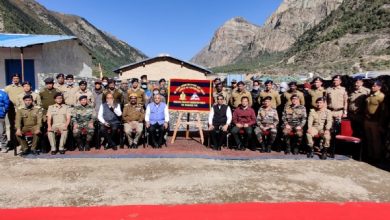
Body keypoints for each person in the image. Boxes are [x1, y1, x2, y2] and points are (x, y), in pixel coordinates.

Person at [364, 81, 385, 162]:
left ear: (379, 87)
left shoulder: (381, 96)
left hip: (375, 121)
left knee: (376, 139)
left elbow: (383, 111)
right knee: (369, 138)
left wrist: (380, 122)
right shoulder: (370, 95)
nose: (372, 87)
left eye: (374, 86)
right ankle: (370, 155)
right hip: (367, 120)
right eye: (372, 86)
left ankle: (376, 157)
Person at [4, 74, 24, 152]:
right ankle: (12, 141)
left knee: (20, 124)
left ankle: (21, 141)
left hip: (20, 109)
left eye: (17, 78)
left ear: (19, 79)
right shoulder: (7, 88)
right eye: (14, 78)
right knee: (12, 125)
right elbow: (5, 97)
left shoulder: (22, 88)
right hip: (11, 109)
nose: (16, 80)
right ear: (12, 79)